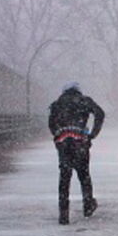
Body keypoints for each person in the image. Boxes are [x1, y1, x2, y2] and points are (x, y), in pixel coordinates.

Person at [48, 82, 105, 225]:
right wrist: (93, 134)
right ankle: (88, 206)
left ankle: (64, 214)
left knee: (64, 177)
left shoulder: (57, 104)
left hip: (63, 142)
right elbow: (100, 113)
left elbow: (51, 124)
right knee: (84, 175)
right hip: (80, 142)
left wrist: (58, 136)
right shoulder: (84, 101)